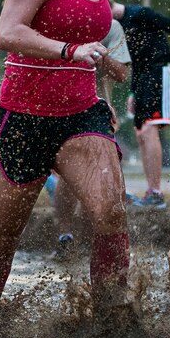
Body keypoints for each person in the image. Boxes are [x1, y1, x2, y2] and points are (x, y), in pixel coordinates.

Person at [0, 0, 133, 327]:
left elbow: (95, 54)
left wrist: (105, 96)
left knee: (110, 212)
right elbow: (8, 32)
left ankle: (110, 318)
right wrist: (68, 50)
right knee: (4, 236)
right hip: (23, 118)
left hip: (82, 115)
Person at [53, 19, 131, 261]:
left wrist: (100, 54)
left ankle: (101, 239)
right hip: (57, 104)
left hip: (96, 109)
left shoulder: (110, 26)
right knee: (68, 175)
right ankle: (65, 235)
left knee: (106, 175)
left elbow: (121, 74)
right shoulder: (55, 15)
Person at [111, 1, 170, 209]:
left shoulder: (140, 14)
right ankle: (151, 192)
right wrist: (132, 92)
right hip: (143, 78)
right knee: (141, 133)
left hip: (160, 71)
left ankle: (156, 192)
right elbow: (135, 61)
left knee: (149, 129)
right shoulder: (120, 27)